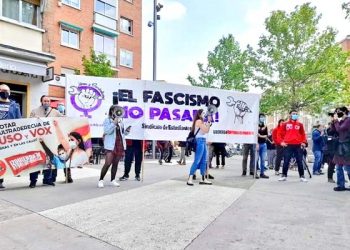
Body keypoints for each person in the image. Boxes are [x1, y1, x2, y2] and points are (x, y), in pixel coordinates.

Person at [29, 95, 63, 188]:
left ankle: (47, 180)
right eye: (45, 101)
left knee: (49, 160)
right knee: (36, 161)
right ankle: (33, 181)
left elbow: (64, 120)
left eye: (48, 101)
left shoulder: (55, 112)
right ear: (41, 101)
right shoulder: (34, 111)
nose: (46, 102)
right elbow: (29, 124)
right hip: (38, 140)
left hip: (50, 141)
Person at [98, 105, 131, 188]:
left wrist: (127, 131)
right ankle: (101, 180)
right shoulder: (107, 120)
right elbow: (107, 131)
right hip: (110, 145)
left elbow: (122, 134)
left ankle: (113, 180)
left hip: (119, 144)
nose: (118, 112)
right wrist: (114, 123)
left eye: (119, 110)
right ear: (112, 111)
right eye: (116, 110)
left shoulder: (121, 121)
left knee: (115, 163)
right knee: (107, 163)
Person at [0, 84, 22, 189]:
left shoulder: (15, 105)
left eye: (6, 90)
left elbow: (19, 120)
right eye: (2, 90)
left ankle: (2, 178)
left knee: (6, 157)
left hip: (9, 137)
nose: (4, 92)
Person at [277, 110, 308, 182]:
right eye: (293, 114)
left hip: (298, 145)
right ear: (290, 115)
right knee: (286, 161)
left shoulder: (300, 124)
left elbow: (303, 134)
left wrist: (303, 142)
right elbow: (279, 134)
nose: (295, 115)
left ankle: (302, 176)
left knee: (299, 161)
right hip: (288, 145)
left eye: (296, 114)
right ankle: (284, 175)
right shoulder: (285, 124)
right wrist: (281, 142)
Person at [187, 109, 212, 186]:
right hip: (199, 141)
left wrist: (208, 123)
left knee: (204, 160)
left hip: (203, 141)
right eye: (203, 113)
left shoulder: (202, 122)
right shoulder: (198, 121)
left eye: (205, 113)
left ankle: (203, 178)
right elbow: (206, 130)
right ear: (199, 114)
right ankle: (190, 178)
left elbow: (205, 131)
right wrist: (208, 122)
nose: (205, 114)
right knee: (197, 160)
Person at [331, 107, 350, 191]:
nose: (338, 113)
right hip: (340, 146)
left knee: (348, 167)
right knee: (338, 166)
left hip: (347, 146)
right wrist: (333, 122)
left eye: (339, 112)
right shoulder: (341, 121)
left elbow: (340, 129)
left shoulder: (348, 120)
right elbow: (333, 131)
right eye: (336, 112)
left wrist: (335, 121)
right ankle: (340, 185)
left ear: (345, 112)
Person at [257, 113, 269, 178]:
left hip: (264, 144)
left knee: (263, 160)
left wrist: (260, 135)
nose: (262, 118)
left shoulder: (265, 126)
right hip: (257, 144)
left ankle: (262, 173)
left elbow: (266, 135)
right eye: (261, 117)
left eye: (263, 117)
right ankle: (255, 173)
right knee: (256, 159)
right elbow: (255, 135)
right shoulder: (256, 125)